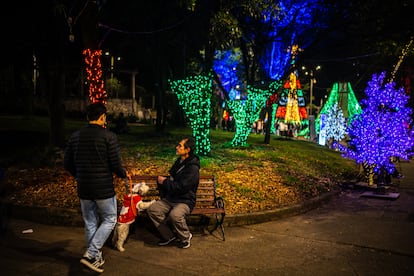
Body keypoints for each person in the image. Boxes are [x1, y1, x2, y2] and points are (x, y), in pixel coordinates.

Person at [64, 102, 127, 273]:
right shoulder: (109, 136)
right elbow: (115, 163)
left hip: (84, 187)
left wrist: (80, 175)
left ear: (87, 117)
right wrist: (123, 174)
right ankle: (91, 253)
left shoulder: (75, 136)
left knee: (90, 222)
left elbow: (67, 163)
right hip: (103, 188)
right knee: (110, 219)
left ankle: (95, 258)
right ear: (102, 117)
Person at [147, 137, 200, 249]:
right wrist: (166, 183)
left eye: (180, 146)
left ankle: (185, 237)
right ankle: (169, 236)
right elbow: (172, 179)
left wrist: (164, 181)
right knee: (153, 209)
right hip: (172, 198)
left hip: (185, 200)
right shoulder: (179, 162)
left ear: (188, 150)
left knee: (175, 215)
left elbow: (181, 187)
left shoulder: (192, 168)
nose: (177, 147)